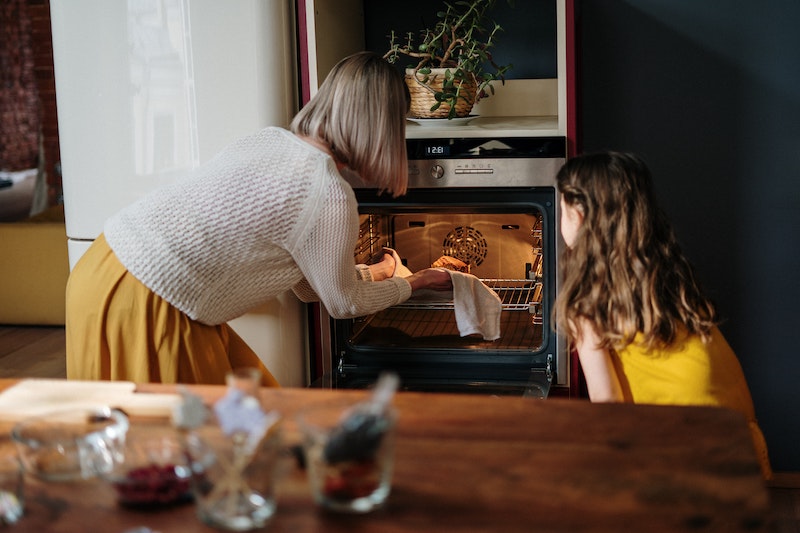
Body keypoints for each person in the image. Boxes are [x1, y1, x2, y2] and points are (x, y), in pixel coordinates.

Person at [65, 51, 452, 386]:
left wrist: (383, 272)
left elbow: (309, 286)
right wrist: (417, 282)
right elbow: (343, 304)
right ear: (382, 126)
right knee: (183, 446)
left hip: (101, 270)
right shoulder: (329, 192)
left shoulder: (267, 141)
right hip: (150, 305)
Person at [554, 151, 772, 479]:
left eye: (561, 209)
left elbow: (607, 401)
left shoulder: (587, 300)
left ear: (580, 215)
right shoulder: (665, 268)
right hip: (731, 429)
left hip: (676, 444)